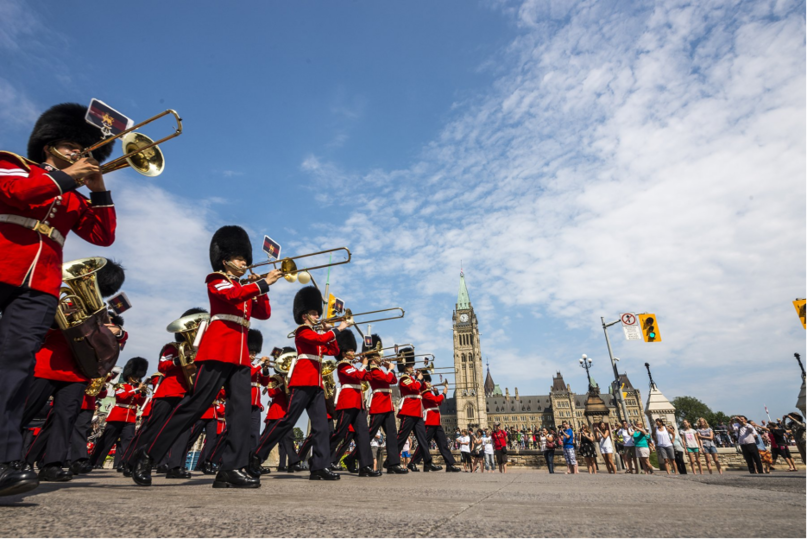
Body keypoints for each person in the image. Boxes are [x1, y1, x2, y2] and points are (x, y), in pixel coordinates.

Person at [0, 102, 119, 496]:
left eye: (87, 151)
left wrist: (99, 186)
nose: (81, 155)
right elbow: (19, 194)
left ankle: (4, 459)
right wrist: (67, 177)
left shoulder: (74, 195)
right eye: (73, 146)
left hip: (41, 285)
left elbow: (102, 237)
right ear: (50, 144)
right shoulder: (15, 164)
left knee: (16, 369)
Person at [132, 226, 279, 488]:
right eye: (239, 258)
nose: (245, 262)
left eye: (245, 258)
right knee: (195, 406)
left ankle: (230, 468)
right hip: (218, 349)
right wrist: (261, 283)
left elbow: (263, 314)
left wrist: (263, 288)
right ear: (225, 260)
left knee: (241, 414)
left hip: (240, 355)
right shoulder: (216, 279)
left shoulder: (245, 286)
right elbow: (231, 296)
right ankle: (147, 455)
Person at [250, 285, 346, 481]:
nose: (318, 316)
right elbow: (320, 340)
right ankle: (256, 455)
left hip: (316, 383)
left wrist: (332, 333)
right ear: (305, 316)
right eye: (314, 313)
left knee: (321, 428)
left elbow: (333, 351)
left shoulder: (316, 334)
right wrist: (337, 329)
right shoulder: (302, 331)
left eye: (318, 313)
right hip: (303, 380)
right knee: (287, 422)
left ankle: (319, 466)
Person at [343, 334, 407, 474]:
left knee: (391, 434)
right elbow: (387, 379)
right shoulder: (374, 370)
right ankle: (352, 457)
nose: (380, 358)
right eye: (378, 356)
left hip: (387, 404)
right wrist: (389, 368)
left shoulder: (378, 369)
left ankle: (393, 464)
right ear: (373, 358)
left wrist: (388, 368)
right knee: (370, 434)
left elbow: (393, 380)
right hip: (379, 404)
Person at [327, 329, 380, 477]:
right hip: (347, 402)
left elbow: (365, 377)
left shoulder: (352, 365)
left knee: (363, 435)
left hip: (358, 403)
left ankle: (366, 466)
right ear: (344, 353)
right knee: (339, 433)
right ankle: (321, 458)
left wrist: (370, 365)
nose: (353, 352)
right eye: (350, 350)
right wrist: (363, 365)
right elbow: (358, 375)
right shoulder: (343, 366)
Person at [89, 358, 148, 468]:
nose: (136, 378)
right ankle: (96, 462)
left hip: (130, 418)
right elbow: (122, 396)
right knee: (107, 440)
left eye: (138, 377)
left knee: (128, 442)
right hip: (117, 416)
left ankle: (123, 463)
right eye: (135, 376)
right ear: (128, 376)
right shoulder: (121, 386)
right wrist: (135, 391)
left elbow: (141, 403)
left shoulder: (137, 389)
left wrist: (143, 394)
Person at [394, 350, 438, 473]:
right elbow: (414, 388)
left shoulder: (413, 378)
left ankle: (428, 463)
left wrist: (423, 380)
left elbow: (420, 388)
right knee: (401, 438)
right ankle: (391, 460)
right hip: (408, 411)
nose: (413, 367)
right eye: (410, 366)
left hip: (417, 413)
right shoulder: (404, 378)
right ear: (405, 367)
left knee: (423, 439)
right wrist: (418, 379)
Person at [407, 376, 461, 472]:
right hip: (430, 421)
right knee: (423, 444)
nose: (429, 383)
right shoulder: (425, 393)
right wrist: (443, 393)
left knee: (443, 444)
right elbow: (436, 401)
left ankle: (449, 464)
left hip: (436, 421)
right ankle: (413, 462)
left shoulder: (429, 393)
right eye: (427, 381)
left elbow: (437, 403)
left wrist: (436, 393)